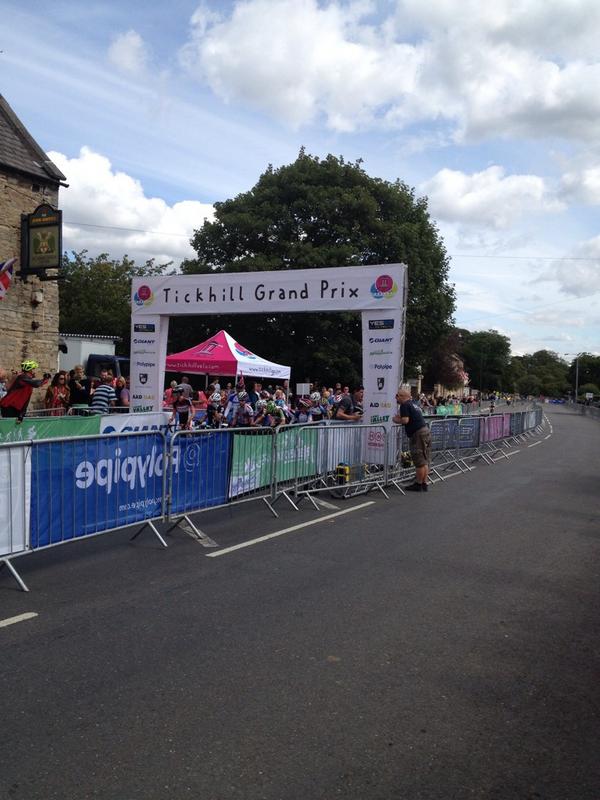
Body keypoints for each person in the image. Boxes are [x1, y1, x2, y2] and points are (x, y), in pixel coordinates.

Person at [393, 387, 431, 492]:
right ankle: (424, 483)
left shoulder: (404, 405)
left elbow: (405, 420)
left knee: (419, 460)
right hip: (425, 431)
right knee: (424, 459)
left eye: (397, 395)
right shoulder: (413, 404)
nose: (395, 397)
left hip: (418, 434)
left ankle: (418, 484)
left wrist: (395, 420)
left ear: (402, 396)